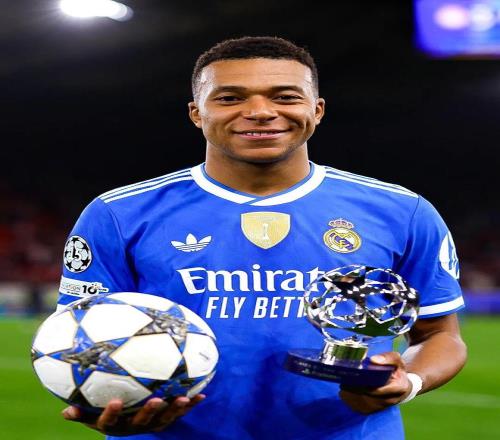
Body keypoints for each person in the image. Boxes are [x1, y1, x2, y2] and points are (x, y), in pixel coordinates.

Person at [58, 36, 467, 439]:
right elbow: (78, 340)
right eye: (229, 98)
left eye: (285, 97)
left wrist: (409, 380)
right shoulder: (118, 214)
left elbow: (440, 335)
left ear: (317, 109)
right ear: (197, 113)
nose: (260, 112)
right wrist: (103, 405)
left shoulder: (402, 211)